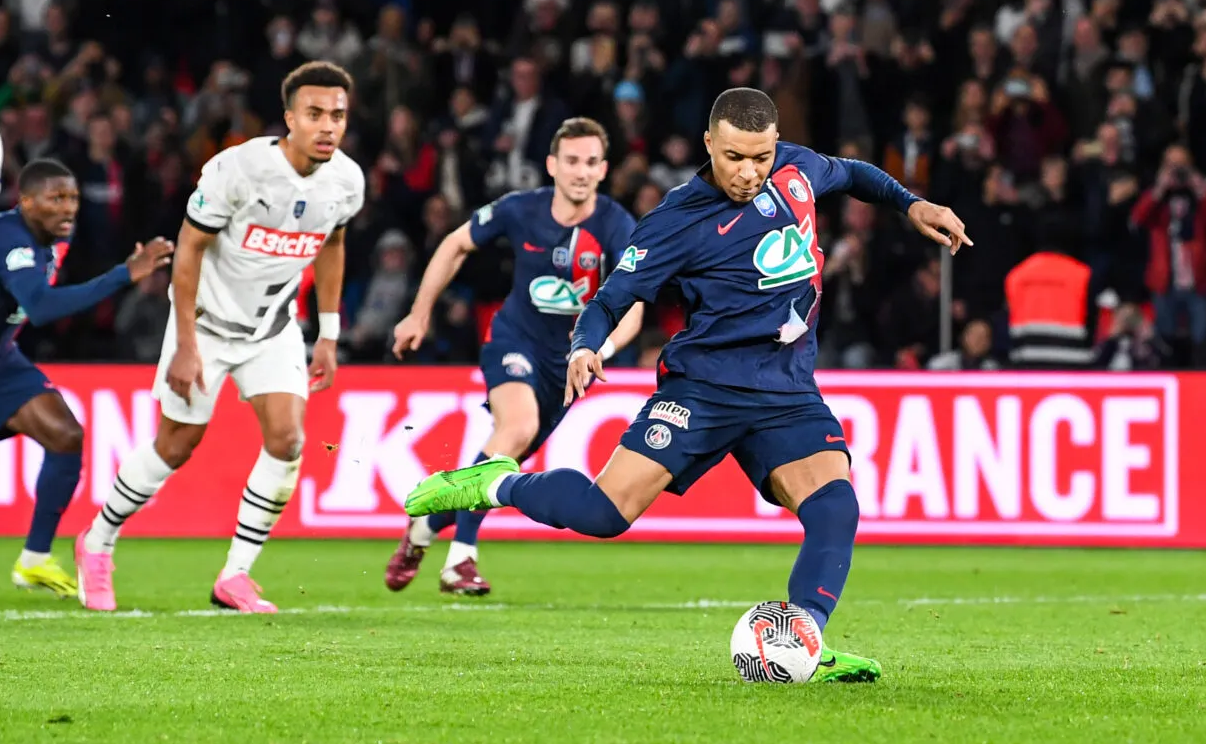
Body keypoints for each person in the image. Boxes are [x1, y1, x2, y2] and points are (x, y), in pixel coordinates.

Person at [401, 88, 971, 682]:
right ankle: (497, 482)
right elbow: (611, 299)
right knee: (604, 513)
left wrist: (912, 204)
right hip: (702, 389)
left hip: (786, 390)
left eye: (760, 157)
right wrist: (585, 345)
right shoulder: (676, 220)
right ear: (708, 144)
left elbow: (852, 173)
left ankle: (802, 641)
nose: (749, 172)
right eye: (733, 157)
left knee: (835, 507)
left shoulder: (797, 169)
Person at [73, 62, 365, 613]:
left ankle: (234, 576)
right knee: (176, 446)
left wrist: (328, 333)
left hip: (274, 327)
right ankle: (96, 540)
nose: (328, 126)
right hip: (204, 324)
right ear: (289, 119)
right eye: (315, 114)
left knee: (289, 439)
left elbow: (332, 247)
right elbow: (189, 250)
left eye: (338, 115)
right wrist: (185, 343)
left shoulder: (347, 181)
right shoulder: (238, 169)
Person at [385, 117, 643, 595]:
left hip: (567, 364)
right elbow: (454, 243)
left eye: (590, 163)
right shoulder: (520, 209)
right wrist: (419, 313)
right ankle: (461, 559)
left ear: (604, 169)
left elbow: (636, 304)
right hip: (514, 342)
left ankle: (422, 528)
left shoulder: (615, 225)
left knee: (504, 462)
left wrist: (598, 348)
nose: (580, 172)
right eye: (571, 161)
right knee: (517, 428)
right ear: (551, 165)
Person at [0, 159, 171, 596]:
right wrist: (122, 275)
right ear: (26, 202)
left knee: (66, 436)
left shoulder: (57, 237)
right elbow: (42, 307)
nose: (68, 208)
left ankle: (35, 560)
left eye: (73, 197)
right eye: (56, 199)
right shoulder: (9, 238)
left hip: (3, 361)